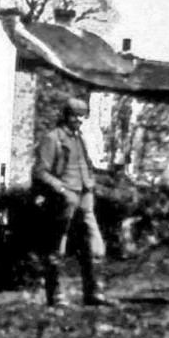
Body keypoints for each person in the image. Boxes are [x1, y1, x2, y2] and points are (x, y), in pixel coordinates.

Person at [32, 97, 113, 307]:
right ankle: (56, 295)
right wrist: (60, 189)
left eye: (81, 116)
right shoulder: (53, 138)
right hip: (63, 199)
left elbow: (85, 164)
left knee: (95, 245)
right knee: (58, 246)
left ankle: (95, 292)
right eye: (74, 115)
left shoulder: (80, 139)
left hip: (85, 196)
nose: (78, 120)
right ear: (65, 116)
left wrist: (91, 184)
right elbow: (40, 172)